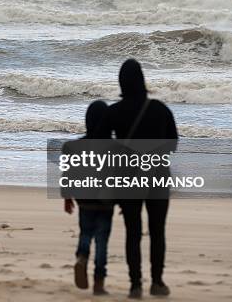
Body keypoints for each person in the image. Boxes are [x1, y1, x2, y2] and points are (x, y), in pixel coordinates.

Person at [95, 59, 178, 299]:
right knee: (157, 231)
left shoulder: (114, 111)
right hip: (158, 177)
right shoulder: (160, 109)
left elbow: (98, 143)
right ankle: (157, 282)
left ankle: (135, 285)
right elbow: (173, 144)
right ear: (142, 80)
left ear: (121, 82)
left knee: (133, 232)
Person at [63, 100, 114, 295]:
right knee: (102, 241)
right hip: (106, 203)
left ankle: (81, 258)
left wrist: (67, 198)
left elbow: (67, 175)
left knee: (85, 232)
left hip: (84, 200)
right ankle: (99, 283)